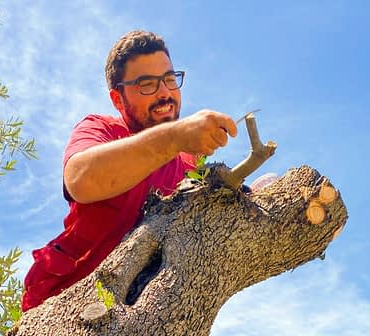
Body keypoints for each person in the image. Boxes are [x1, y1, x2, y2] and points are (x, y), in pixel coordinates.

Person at [21, 30, 238, 311]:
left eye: (170, 80)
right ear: (118, 99)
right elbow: (80, 180)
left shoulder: (188, 162)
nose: (165, 93)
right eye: (147, 84)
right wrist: (174, 137)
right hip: (62, 308)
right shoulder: (99, 130)